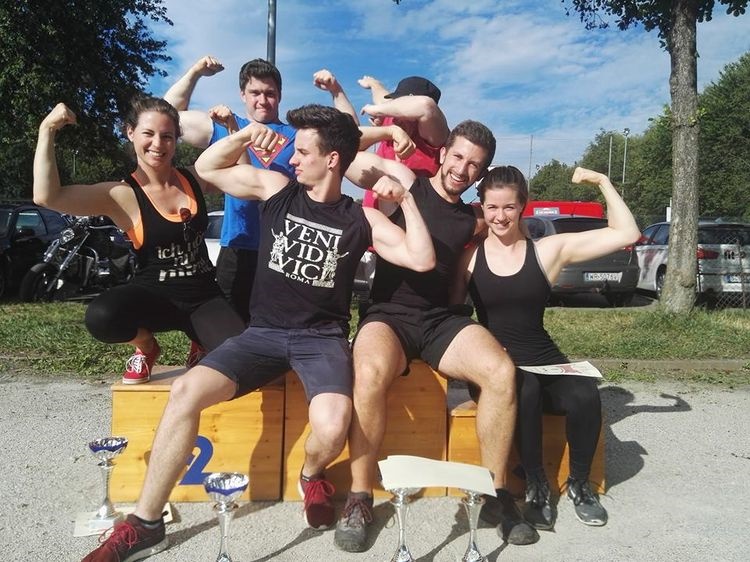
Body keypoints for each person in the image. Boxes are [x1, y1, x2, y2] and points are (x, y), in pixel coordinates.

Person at [80, 104, 436, 562]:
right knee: (186, 391)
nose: (293, 158)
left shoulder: (359, 219)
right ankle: (146, 523)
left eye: (302, 152)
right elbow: (207, 167)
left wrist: (406, 200)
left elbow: (421, 258)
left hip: (321, 340)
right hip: (262, 334)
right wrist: (246, 134)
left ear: (332, 159)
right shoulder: (277, 189)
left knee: (331, 428)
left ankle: (311, 475)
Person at [333, 120, 540, 553]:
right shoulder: (407, 181)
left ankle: (496, 494)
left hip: (439, 321)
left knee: (501, 371)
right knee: (368, 372)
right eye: (458, 156)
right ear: (443, 153)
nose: (463, 169)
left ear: (481, 173)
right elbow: (345, 155)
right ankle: (360, 497)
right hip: (388, 316)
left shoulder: (474, 218)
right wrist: (385, 134)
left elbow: (510, 231)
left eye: (474, 165)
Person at [452, 166, 641, 531]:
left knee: (585, 392)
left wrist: (602, 182)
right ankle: (536, 486)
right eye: (492, 207)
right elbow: (451, 314)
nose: (500, 216)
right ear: (482, 207)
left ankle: (581, 485)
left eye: (509, 207)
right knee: (525, 390)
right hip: (495, 368)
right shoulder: (470, 258)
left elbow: (627, 233)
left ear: (523, 206)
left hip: (544, 359)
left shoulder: (546, 251)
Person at [32, 97, 246, 384]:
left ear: (176, 139)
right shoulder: (121, 195)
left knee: (243, 358)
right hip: (155, 297)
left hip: (203, 298)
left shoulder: (195, 178)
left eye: (167, 136)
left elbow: (241, 174)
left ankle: (200, 342)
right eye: (149, 133)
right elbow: (47, 196)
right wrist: (47, 129)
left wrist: (233, 128)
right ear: (130, 132)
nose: (158, 143)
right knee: (101, 316)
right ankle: (146, 347)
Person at [164, 57, 360, 327]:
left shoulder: (298, 137)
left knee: (276, 326)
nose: (262, 100)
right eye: (255, 93)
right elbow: (167, 116)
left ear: (280, 95)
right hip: (238, 244)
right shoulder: (224, 126)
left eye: (270, 93)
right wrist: (195, 72)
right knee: (229, 326)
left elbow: (350, 136)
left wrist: (336, 90)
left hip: (285, 250)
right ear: (242, 94)